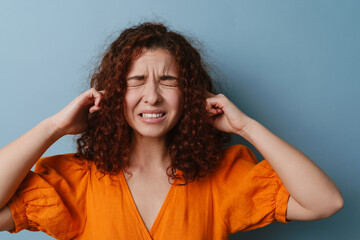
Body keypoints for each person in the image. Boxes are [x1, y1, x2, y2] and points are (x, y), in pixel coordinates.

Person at [0, 22, 343, 239]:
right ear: (115, 94)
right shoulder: (79, 180)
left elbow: (325, 202)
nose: (152, 96)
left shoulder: (223, 178)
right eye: (136, 81)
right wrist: (54, 127)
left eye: (169, 81)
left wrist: (246, 127)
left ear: (189, 95)